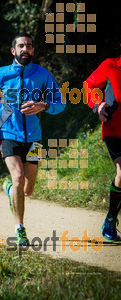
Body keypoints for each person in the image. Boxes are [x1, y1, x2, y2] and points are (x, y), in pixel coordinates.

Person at [0, 32, 65, 245]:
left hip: (34, 138)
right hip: (8, 134)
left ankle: (10, 190)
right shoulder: (1, 75)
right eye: (21, 46)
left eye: (28, 46)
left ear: (33, 50)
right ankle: (19, 230)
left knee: (27, 189)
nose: (25, 49)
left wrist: (43, 105)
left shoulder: (43, 75)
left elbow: (60, 102)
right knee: (17, 176)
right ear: (13, 50)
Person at [85, 55, 121, 241]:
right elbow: (88, 86)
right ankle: (111, 217)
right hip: (114, 130)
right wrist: (98, 106)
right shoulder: (110, 65)